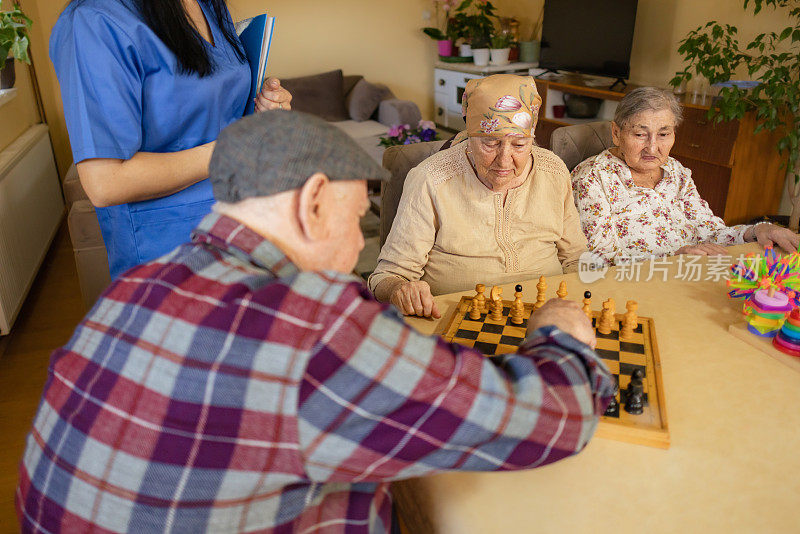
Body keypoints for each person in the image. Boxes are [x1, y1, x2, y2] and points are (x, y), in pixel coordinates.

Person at [17, 111, 615, 533]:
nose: (360, 244)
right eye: (357, 219)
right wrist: (561, 330)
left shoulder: (136, 286)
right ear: (312, 202)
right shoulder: (312, 325)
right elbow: (550, 418)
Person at [50, 0, 292, 278]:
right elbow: (105, 182)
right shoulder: (94, 20)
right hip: (172, 248)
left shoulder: (209, 6)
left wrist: (264, 109)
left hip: (244, 220)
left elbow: (214, 106)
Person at [369, 74, 588, 318]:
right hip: (458, 317)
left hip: (546, 312)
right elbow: (386, 276)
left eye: (519, 145)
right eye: (490, 144)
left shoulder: (553, 170)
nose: (504, 160)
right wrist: (400, 288)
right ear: (469, 137)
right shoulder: (430, 179)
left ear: (532, 137)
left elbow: (575, 258)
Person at [571, 87, 799, 265]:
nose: (652, 148)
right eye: (640, 134)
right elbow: (598, 257)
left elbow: (709, 230)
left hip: (694, 270)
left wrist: (757, 230)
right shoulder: (592, 178)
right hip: (641, 282)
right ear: (616, 133)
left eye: (663, 134)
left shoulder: (675, 171)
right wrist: (673, 257)